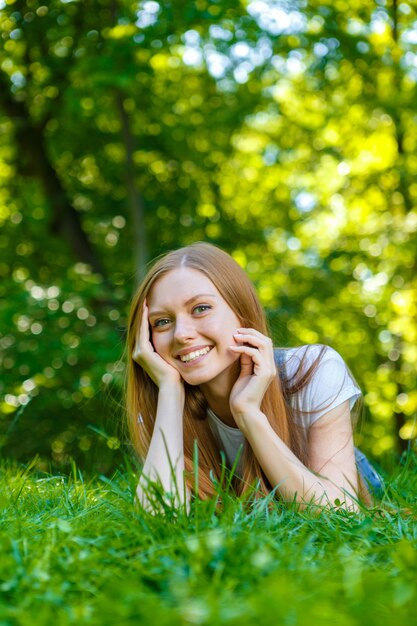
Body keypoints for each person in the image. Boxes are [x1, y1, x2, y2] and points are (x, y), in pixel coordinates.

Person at [126, 242, 382, 513]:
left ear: (242, 311)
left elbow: (341, 512)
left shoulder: (311, 370)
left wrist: (248, 413)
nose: (181, 334)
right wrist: (169, 390)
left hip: (341, 478)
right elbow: (157, 520)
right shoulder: (162, 403)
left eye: (200, 308)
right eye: (162, 322)